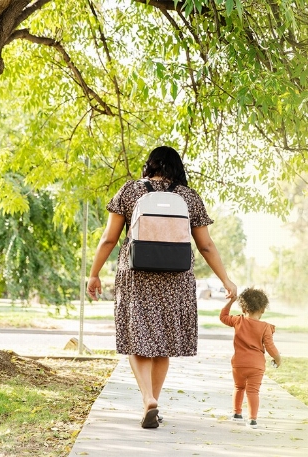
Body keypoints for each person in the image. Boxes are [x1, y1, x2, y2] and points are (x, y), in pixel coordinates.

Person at [87, 145, 237, 429]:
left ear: (150, 165)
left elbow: (109, 238)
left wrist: (94, 274)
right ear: (177, 168)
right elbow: (205, 245)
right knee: (163, 341)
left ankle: (147, 400)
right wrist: (225, 280)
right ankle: (154, 399)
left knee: (137, 338)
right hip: (176, 277)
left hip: (135, 274)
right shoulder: (189, 197)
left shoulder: (130, 191)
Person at [220, 288, 282, 429]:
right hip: (256, 366)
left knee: (238, 387)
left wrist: (230, 301)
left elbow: (223, 316)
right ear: (263, 310)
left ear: (243, 308)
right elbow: (270, 347)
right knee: (253, 391)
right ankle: (252, 420)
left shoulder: (238, 321)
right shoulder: (265, 327)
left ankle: (237, 414)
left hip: (238, 364)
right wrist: (278, 359)